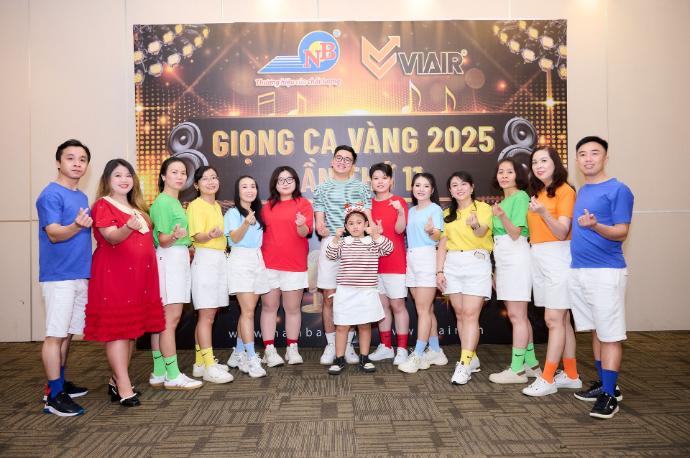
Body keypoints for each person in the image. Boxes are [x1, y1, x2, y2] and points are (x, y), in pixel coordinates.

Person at [84, 159, 165, 407]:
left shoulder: (137, 207)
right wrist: (128, 227)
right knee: (118, 332)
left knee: (130, 332)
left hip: (139, 279)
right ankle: (124, 386)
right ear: (107, 180)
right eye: (117, 175)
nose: (124, 179)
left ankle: (115, 379)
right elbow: (111, 237)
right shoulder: (103, 205)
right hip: (115, 277)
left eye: (128, 175)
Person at [569, 136, 633, 419]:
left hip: (606, 271)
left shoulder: (619, 189)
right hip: (580, 270)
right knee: (597, 330)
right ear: (577, 160)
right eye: (583, 154)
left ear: (606, 157)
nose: (588, 159)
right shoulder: (583, 190)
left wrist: (596, 226)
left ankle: (610, 396)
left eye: (595, 153)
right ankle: (606, 385)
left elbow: (621, 231)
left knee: (610, 335)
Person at [36, 139, 92, 416]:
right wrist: (76, 226)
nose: (77, 163)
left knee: (67, 332)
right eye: (70, 158)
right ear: (58, 162)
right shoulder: (50, 195)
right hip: (59, 276)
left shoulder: (81, 197)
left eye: (82, 159)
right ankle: (54, 396)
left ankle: (58, 381)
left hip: (79, 273)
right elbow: (54, 233)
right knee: (55, 335)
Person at [522, 147, 582, 397]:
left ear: (555, 163)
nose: (538, 165)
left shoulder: (566, 191)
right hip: (539, 256)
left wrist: (544, 213)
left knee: (553, 320)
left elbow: (561, 231)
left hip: (558, 256)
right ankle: (571, 374)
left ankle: (547, 378)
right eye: (535, 162)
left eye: (544, 160)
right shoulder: (537, 193)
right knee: (562, 320)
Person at [313, 145, 372, 366]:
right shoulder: (321, 188)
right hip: (332, 242)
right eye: (339, 158)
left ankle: (348, 345)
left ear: (353, 165)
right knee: (330, 296)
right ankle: (331, 344)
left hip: (356, 244)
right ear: (332, 161)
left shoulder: (362, 188)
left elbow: (368, 218)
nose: (342, 162)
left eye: (347, 159)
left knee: (353, 295)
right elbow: (319, 221)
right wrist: (320, 228)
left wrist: (372, 233)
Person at [149, 157, 202, 390]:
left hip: (176, 258)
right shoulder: (163, 202)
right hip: (169, 259)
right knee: (170, 320)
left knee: (161, 320)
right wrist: (175, 236)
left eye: (183, 172)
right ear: (163, 176)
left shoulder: (173, 202)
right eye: (174, 172)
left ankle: (159, 371)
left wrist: (184, 243)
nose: (180, 176)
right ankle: (172, 374)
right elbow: (163, 239)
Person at [436, 172, 492, 385]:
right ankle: (471, 357)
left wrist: (475, 224)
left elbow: (481, 233)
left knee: (470, 314)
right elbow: (442, 244)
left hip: (476, 262)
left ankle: (464, 363)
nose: (459, 188)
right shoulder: (447, 214)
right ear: (450, 191)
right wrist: (439, 271)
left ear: (472, 187)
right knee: (460, 313)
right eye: (454, 185)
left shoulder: (483, 208)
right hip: (452, 264)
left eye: (463, 184)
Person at [488, 158, 541, 384]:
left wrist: (501, 215)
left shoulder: (520, 197)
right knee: (518, 315)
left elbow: (515, 233)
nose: (504, 176)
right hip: (504, 260)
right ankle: (531, 364)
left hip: (516, 257)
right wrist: (496, 269)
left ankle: (517, 370)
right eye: (501, 171)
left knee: (517, 316)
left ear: (518, 176)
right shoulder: (504, 200)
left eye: (509, 172)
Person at [325, 206, 393, 375]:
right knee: (342, 326)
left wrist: (375, 234)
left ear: (366, 224)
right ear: (346, 226)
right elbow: (330, 254)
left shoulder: (373, 242)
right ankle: (339, 359)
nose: (355, 226)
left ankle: (364, 358)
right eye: (351, 223)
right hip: (345, 291)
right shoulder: (343, 242)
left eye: (359, 222)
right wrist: (336, 238)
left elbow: (388, 248)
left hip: (366, 291)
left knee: (364, 325)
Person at [260, 166, 313, 366]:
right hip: (269, 265)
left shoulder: (303, 204)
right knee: (269, 307)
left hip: (294, 265)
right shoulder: (266, 207)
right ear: (274, 183)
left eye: (289, 179)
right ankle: (269, 350)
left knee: (292, 308)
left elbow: (304, 233)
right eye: (281, 179)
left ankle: (292, 348)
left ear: (296, 182)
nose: (285, 183)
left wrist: (301, 224)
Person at [187, 166, 233, 384]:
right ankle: (209, 366)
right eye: (205, 179)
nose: (211, 181)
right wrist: (210, 234)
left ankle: (200, 363)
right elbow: (197, 236)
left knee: (209, 315)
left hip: (218, 260)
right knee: (206, 316)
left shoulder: (216, 206)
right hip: (205, 260)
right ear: (196, 185)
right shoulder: (195, 205)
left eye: (214, 177)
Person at [398, 173, 447, 373]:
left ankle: (418, 355)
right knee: (426, 309)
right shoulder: (410, 211)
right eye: (417, 185)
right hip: (411, 258)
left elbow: (438, 236)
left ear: (432, 190)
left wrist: (430, 231)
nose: (421, 189)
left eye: (426, 186)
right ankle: (436, 350)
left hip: (427, 258)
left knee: (423, 310)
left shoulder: (435, 209)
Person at [224, 175, 270, 378]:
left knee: (247, 312)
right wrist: (245, 224)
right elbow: (233, 238)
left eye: (253, 186)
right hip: (240, 260)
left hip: (257, 260)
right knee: (248, 311)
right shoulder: (232, 213)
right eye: (244, 186)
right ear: (238, 191)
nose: (249, 190)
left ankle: (238, 353)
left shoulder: (258, 212)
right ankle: (251, 359)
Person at [366, 163, 410, 366]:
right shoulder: (368, 206)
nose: (380, 182)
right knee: (382, 306)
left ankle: (402, 349)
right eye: (376, 178)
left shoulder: (398, 202)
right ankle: (386, 347)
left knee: (397, 305)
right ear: (371, 182)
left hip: (395, 262)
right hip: (374, 264)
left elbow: (400, 230)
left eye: (384, 178)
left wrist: (400, 212)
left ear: (391, 180)